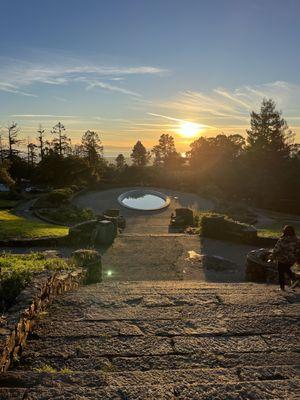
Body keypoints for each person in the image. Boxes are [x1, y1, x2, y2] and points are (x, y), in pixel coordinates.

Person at [271, 225, 300, 290]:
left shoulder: (282, 240)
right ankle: (294, 279)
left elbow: (276, 249)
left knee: (281, 272)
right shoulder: (297, 240)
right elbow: (298, 250)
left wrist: (272, 257)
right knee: (286, 269)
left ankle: (282, 288)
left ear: (284, 231)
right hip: (292, 259)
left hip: (282, 259)